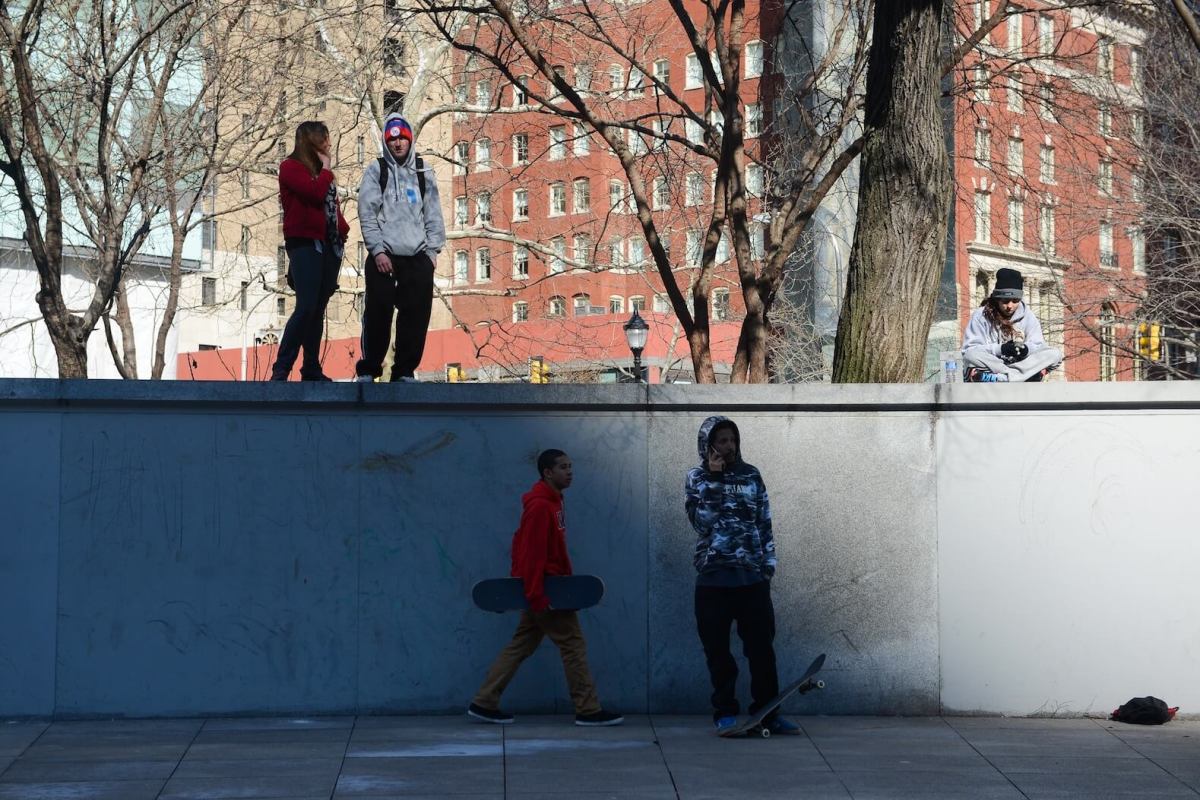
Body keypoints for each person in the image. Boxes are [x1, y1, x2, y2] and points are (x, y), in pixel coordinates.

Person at [468, 450, 623, 727]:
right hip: (545, 590)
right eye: (563, 467)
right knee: (573, 645)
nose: (570, 472)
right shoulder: (540, 506)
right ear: (547, 473)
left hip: (548, 588)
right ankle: (588, 709)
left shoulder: (554, 502)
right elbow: (531, 554)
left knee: (521, 645)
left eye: (571, 466)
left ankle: (484, 701)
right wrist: (537, 595)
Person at [685, 416, 798, 736]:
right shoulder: (696, 478)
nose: (729, 446)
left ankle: (768, 713)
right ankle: (724, 711)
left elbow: (764, 520)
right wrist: (715, 478)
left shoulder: (751, 475)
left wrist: (769, 564)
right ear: (708, 445)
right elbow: (701, 522)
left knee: (762, 650)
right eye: (721, 440)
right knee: (718, 652)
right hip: (713, 579)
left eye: (732, 439)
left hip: (752, 578)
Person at [354, 114, 446, 383]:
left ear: (410, 139)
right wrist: (377, 251)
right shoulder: (376, 170)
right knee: (378, 312)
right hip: (384, 255)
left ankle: (404, 370)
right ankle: (370, 368)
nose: (397, 144)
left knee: (416, 316)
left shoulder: (423, 172)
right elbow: (367, 213)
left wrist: (431, 253)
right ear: (386, 142)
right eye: (391, 139)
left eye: (401, 139)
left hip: (418, 256)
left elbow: (434, 215)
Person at [270, 121, 349, 382]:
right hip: (304, 243)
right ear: (313, 142)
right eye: (325, 140)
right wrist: (326, 170)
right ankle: (282, 367)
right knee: (305, 306)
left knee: (317, 308)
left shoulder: (322, 174)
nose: (329, 145)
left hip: (329, 245)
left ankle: (311, 367)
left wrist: (342, 230)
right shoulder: (290, 168)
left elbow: (330, 207)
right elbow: (313, 194)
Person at [962, 268, 1063, 382]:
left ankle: (1004, 378)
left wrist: (1025, 349)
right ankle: (1020, 377)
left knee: (1055, 354)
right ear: (997, 299)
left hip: (1020, 365)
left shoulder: (1028, 316)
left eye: (1015, 301)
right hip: (994, 365)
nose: (1010, 306)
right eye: (1005, 301)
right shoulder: (980, 315)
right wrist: (1001, 349)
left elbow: (1039, 345)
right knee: (971, 355)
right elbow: (969, 350)